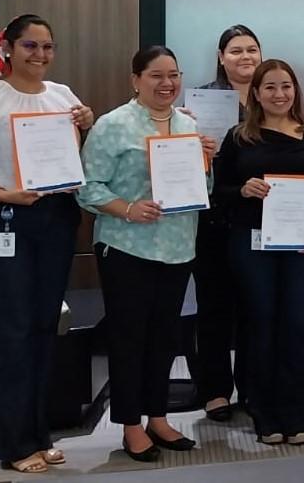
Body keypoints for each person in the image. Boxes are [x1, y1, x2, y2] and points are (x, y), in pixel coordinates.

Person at [0, 14, 93, 473]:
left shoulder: (62, 96)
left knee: (44, 328)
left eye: (48, 47)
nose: (40, 56)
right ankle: (12, 444)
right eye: (30, 46)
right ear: (7, 48)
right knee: (12, 332)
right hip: (1, 219)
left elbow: (70, 157)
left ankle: (39, 433)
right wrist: (2, 192)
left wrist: (88, 123)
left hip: (54, 219)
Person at [77, 46, 210, 461]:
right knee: (130, 338)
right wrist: (129, 209)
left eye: (174, 75)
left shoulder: (187, 123)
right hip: (126, 245)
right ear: (135, 79)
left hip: (177, 246)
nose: (167, 83)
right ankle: (131, 425)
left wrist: (206, 161)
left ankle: (158, 416)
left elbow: (200, 187)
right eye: (156, 75)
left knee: (165, 336)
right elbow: (87, 187)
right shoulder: (113, 125)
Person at [213, 59, 304, 445]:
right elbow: (218, 193)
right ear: (257, 95)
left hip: (301, 245)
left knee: (296, 324)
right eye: (270, 88)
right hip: (252, 242)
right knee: (261, 322)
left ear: (296, 90)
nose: (279, 95)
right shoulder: (239, 137)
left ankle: (297, 413)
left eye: (286, 87)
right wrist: (242, 190)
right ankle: (264, 412)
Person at [191, 24, 262, 422]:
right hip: (213, 215)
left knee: (255, 306)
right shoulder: (202, 100)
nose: (245, 57)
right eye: (236, 50)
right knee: (214, 306)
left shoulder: (272, 96)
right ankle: (215, 390)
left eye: (252, 49)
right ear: (221, 57)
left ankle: (251, 386)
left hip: (256, 218)